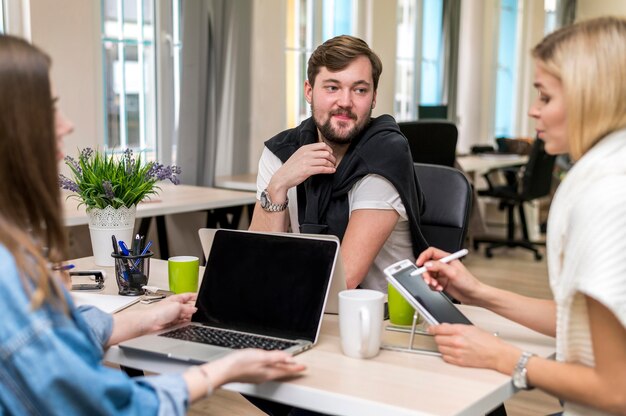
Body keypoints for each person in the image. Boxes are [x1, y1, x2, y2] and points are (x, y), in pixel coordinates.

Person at [0, 34, 305, 415]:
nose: (66, 124)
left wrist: (144, 321)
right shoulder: (8, 277)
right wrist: (222, 370)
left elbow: (52, 339)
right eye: (49, 108)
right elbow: (114, 407)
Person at [417, 17, 626, 416]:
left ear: (590, 97)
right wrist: (480, 293)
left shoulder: (606, 195)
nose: (533, 111)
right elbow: (582, 324)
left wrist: (506, 358)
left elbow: (618, 389)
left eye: (545, 97)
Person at [250, 35, 428, 293]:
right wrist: (278, 184)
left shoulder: (385, 155)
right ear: (309, 91)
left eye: (359, 90)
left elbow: (341, 279)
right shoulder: (281, 153)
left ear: (374, 98)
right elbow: (254, 259)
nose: (345, 102)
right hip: (302, 302)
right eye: (332, 87)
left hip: (382, 316)